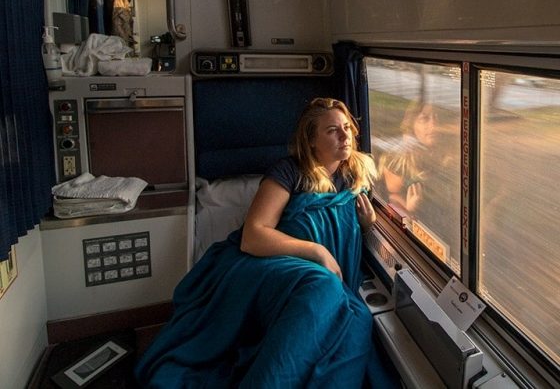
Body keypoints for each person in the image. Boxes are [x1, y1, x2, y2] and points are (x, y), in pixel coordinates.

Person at [135, 98, 397, 388]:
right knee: (321, 288)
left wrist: (366, 224)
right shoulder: (289, 172)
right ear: (311, 140)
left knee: (356, 318)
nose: (345, 136)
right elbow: (254, 235)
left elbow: (346, 229)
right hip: (269, 264)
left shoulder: (355, 175)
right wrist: (316, 250)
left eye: (348, 127)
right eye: (332, 130)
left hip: (323, 275)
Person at [378, 101, 438, 215]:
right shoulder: (397, 161)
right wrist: (409, 209)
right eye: (424, 119)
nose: (433, 125)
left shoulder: (442, 155)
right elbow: (393, 200)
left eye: (436, 118)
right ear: (412, 125)